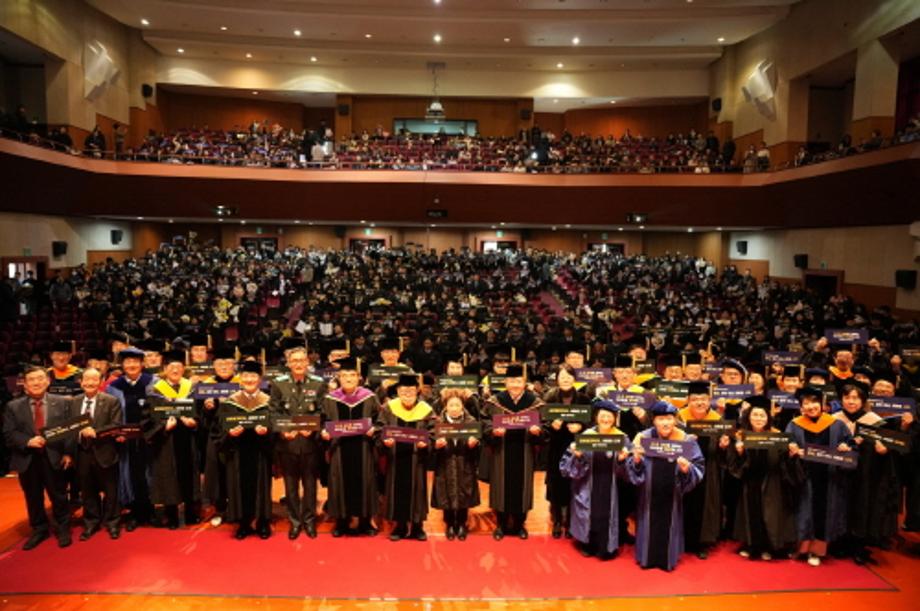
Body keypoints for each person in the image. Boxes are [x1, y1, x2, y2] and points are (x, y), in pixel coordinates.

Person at [3, 365, 75, 549]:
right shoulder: (13, 406)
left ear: (48, 381)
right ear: (25, 384)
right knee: (33, 497)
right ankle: (39, 529)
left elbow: (70, 430)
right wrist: (28, 441)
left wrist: (68, 452)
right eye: (32, 380)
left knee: (59, 495)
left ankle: (63, 528)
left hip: (55, 457)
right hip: (27, 458)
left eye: (40, 378)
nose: (36, 382)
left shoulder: (63, 402)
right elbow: (9, 433)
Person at [628, 400, 705, 571]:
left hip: (672, 495)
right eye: (661, 419)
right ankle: (646, 558)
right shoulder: (643, 438)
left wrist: (687, 469)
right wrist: (636, 460)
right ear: (654, 420)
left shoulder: (685, 439)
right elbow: (630, 468)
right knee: (648, 522)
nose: (665, 423)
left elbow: (699, 466)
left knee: (670, 525)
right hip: (648, 494)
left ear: (675, 420)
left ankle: (667, 560)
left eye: (669, 418)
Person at [785, 386, 854, 566]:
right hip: (804, 477)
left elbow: (851, 446)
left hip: (829, 478)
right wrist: (791, 451)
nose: (811, 406)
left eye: (814, 402)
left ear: (823, 404)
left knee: (824, 512)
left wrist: (846, 448)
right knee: (803, 512)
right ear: (801, 407)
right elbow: (786, 445)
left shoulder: (836, 424)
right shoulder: (794, 425)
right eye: (806, 403)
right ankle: (801, 549)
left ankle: (816, 551)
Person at [833, 382, 900, 564]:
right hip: (840, 473)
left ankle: (858, 545)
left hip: (865, 474)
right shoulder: (834, 420)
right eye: (847, 397)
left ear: (863, 401)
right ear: (841, 399)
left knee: (862, 505)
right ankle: (839, 541)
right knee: (840, 505)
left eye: (856, 398)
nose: (851, 402)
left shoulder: (875, 421)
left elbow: (889, 449)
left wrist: (884, 451)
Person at [728, 396, 802, 560]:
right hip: (750, 481)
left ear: (768, 418)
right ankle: (752, 545)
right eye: (755, 415)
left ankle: (769, 547)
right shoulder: (741, 436)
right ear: (748, 417)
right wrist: (740, 453)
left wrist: (791, 455)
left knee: (769, 514)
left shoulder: (777, 436)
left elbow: (785, 462)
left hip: (772, 481)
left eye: (762, 415)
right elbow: (734, 466)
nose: (758, 419)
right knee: (751, 512)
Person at [481, 363, 546, 540]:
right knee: (500, 486)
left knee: (522, 488)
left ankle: (519, 525)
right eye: (512, 381)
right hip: (501, 450)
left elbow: (545, 425)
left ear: (524, 382)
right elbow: (484, 422)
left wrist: (538, 431)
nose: (515, 385)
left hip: (525, 449)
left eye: (519, 381)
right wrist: (492, 431)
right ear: (505, 382)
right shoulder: (494, 401)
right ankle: (501, 524)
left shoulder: (535, 403)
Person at [559, 400, 631, 559]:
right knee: (590, 513)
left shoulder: (621, 438)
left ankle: (607, 545)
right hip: (588, 482)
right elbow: (566, 468)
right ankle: (588, 543)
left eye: (610, 416)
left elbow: (629, 471)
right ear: (596, 417)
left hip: (612, 485)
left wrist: (621, 460)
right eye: (602, 416)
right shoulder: (586, 437)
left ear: (615, 418)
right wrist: (578, 456)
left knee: (607, 514)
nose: (606, 419)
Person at [270, 345, 327, 539]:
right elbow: (274, 411)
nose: (298, 364)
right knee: (290, 485)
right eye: (294, 360)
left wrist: (313, 427)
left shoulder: (319, 383)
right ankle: (295, 521)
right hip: (288, 443)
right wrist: (284, 431)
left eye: (302, 360)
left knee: (310, 485)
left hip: (310, 443)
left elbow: (322, 410)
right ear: (288, 363)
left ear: (307, 362)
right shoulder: (278, 384)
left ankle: (309, 521)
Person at [321, 356, 381, 536]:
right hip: (339, 449)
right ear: (339, 377)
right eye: (344, 375)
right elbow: (323, 420)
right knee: (340, 482)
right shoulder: (331, 399)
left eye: (352, 375)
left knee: (365, 481)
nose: (348, 378)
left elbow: (380, 420)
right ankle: (341, 521)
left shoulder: (369, 397)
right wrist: (324, 432)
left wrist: (375, 429)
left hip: (363, 447)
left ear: (358, 377)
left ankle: (365, 522)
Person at [143, 350, 200, 529]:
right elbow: (147, 419)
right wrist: (164, 427)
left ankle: (191, 512)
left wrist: (194, 422)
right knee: (169, 476)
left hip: (187, 439)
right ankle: (172, 515)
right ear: (165, 369)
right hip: (166, 442)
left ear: (184, 368)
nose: (175, 370)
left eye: (178, 366)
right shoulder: (155, 391)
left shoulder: (190, 389)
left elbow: (200, 414)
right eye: (171, 367)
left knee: (188, 474)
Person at [219, 361, 274, 539]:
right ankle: (243, 523)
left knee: (261, 487)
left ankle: (263, 522)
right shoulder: (229, 402)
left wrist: (267, 431)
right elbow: (219, 428)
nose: (249, 379)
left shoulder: (269, 402)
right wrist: (229, 433)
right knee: (239, 486)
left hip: (260, 452)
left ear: (260, 379)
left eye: (253, 376)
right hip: (237, 451)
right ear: (240, 379)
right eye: (246, 376)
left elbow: (277, 426)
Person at [378, 373, 434, 541]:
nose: (407, 393)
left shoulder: (426, 409)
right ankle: (400, 526)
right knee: (396, 490)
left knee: (417, 490)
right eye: (403, 390)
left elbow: (433, 431)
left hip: (417, 459)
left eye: (411, 390)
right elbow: (380, 428)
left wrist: (427, 442)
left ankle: (417, 526)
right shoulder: (389, 408)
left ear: (417, 390)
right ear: (398, 391)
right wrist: (384, 441)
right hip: (395, 458)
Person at [677, 380, 729, 559]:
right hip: (683, 470)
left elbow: (725, 453)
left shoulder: (717, 421)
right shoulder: (679, 419)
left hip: (709, 470)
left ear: (709, 401)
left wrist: (723, 446)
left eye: (703, 399)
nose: (699, 403)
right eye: (695, 399)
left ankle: (702, 542)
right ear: (688, 401)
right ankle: (680, 539)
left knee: (706, 506)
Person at [107, 347, 155, 531]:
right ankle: (134, 512)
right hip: (125, 441)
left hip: (149, 439)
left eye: (135, 361)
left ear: (142, 364)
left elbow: (160, 410)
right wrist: (117, 433)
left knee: (149, 472)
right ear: (122, 365)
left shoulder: (153, 382)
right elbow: (112, 415)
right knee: (130, 474)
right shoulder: (114, 387)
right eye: (128, 362)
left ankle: (150, 510)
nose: (132, 365)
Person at [73, 368, 123, 540]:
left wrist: (96, 432)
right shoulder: (73, 402)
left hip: (105, 451)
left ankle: (113, 522)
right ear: (81, 382)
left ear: (101, 382)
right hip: (82, 453)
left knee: (111, 491)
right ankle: (91, 523)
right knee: (87, 491)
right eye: (86, 379)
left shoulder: (111, 401)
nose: (90, 383)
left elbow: (116, 425)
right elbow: (68, 427)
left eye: (94, 379)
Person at [542, 364, 589, 538]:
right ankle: (557, 520)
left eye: (569, 377)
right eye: (562, 377)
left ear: (574, 379)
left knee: (574, 483)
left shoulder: (584, 399)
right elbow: (542, 421)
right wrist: (551, 425)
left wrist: (581, 426)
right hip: (556, 446)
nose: (566, 380)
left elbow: (591, 421)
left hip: (576, 446)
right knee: (556, 483)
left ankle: (570, 521)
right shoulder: (549, 397)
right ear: (557, 380)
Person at [431, 389, 481, 541]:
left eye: (457, 405)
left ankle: (461, 523)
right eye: (451, 405)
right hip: (444, 464)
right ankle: (449, 524)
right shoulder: (437, 423)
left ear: (462, 406)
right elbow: (430, 444)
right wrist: (436, 446)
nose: (454, 408)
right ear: (445, 406)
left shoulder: (471, 422)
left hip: (465, 463)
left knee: (463, 493)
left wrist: (474, 444)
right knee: (446, 494)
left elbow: (480, 445)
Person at [197, 346, 237, 527]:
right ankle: (220, 508)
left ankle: (236, 509)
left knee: (234, 471)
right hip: (214, 437)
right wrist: (207, 409)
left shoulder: (242, 383)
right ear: (213, 366)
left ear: (234, 365)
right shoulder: (206, 386)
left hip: (237, 436)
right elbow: (199, 419)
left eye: (228, 363)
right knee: (217, 472)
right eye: (220, 363)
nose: (224, 366)